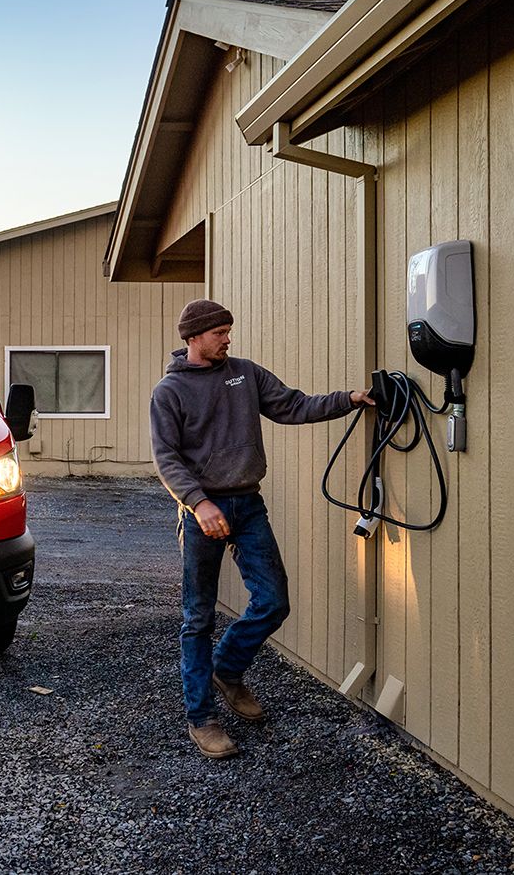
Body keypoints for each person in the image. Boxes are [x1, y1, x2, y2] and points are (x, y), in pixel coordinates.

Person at [149, 299, 374, 759]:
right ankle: (203, 719)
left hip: (247, 503)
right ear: (193, 337)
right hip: (202, 513)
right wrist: (199, 503)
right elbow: (167, 459)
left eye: (228, 331)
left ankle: (227, 669)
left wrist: (348, 399)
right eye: (219, 333)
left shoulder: (245, 373)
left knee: (273, 600)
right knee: (198, 618)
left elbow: (293, 406)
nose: (227, 339)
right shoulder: (169, 392)